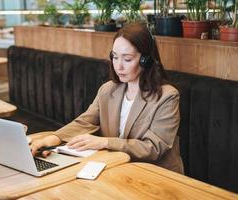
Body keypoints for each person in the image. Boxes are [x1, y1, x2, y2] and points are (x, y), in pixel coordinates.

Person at [30, 23, 184, 174]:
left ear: (145, 60)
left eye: (127, 59)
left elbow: (153, 148)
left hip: (155, 175)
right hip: (117, 169)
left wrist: (105, 142)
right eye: (115, 57)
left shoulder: (167, 97)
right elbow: (86, 122)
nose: (119, 66)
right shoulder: (108, 90)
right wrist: (54, 138)